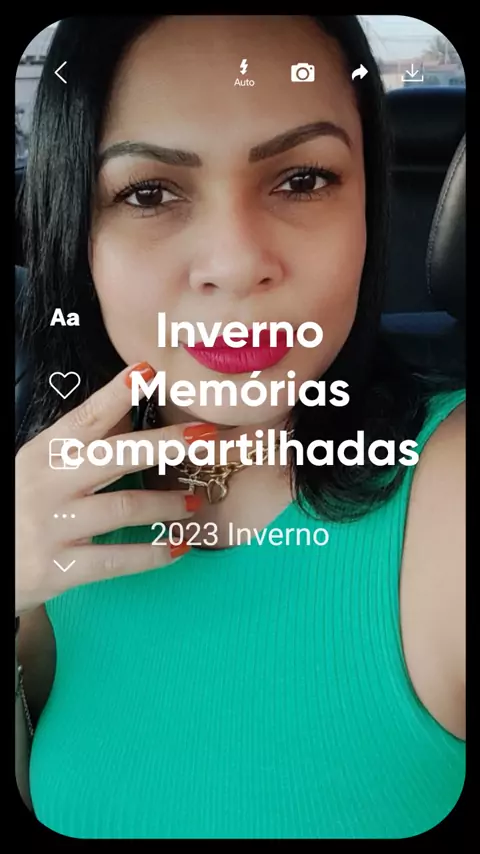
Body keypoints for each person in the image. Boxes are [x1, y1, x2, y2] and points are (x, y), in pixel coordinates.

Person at [15, 15, 465, 839]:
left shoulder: (452, 491)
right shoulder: (44, 506)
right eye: (149, 194)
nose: (235, 263)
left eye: (303, 179)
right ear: (76, 233)